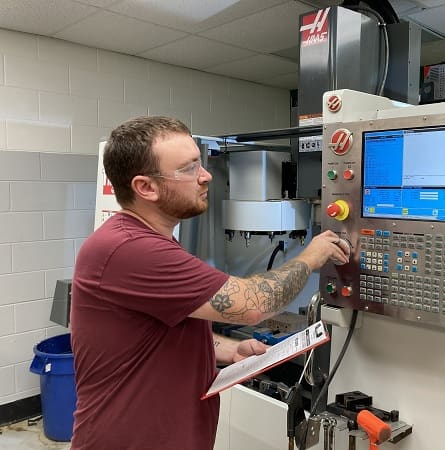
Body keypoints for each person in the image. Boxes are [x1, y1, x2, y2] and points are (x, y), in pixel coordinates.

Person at [70, 116, 349, 450]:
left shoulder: (149, 240)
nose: (206, 176)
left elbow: (161, 332)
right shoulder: (131, 249)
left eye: (199, 163)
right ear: (146, 187)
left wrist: (229, 350)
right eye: (189, 169)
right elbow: (253, 304)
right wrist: (312, 255)